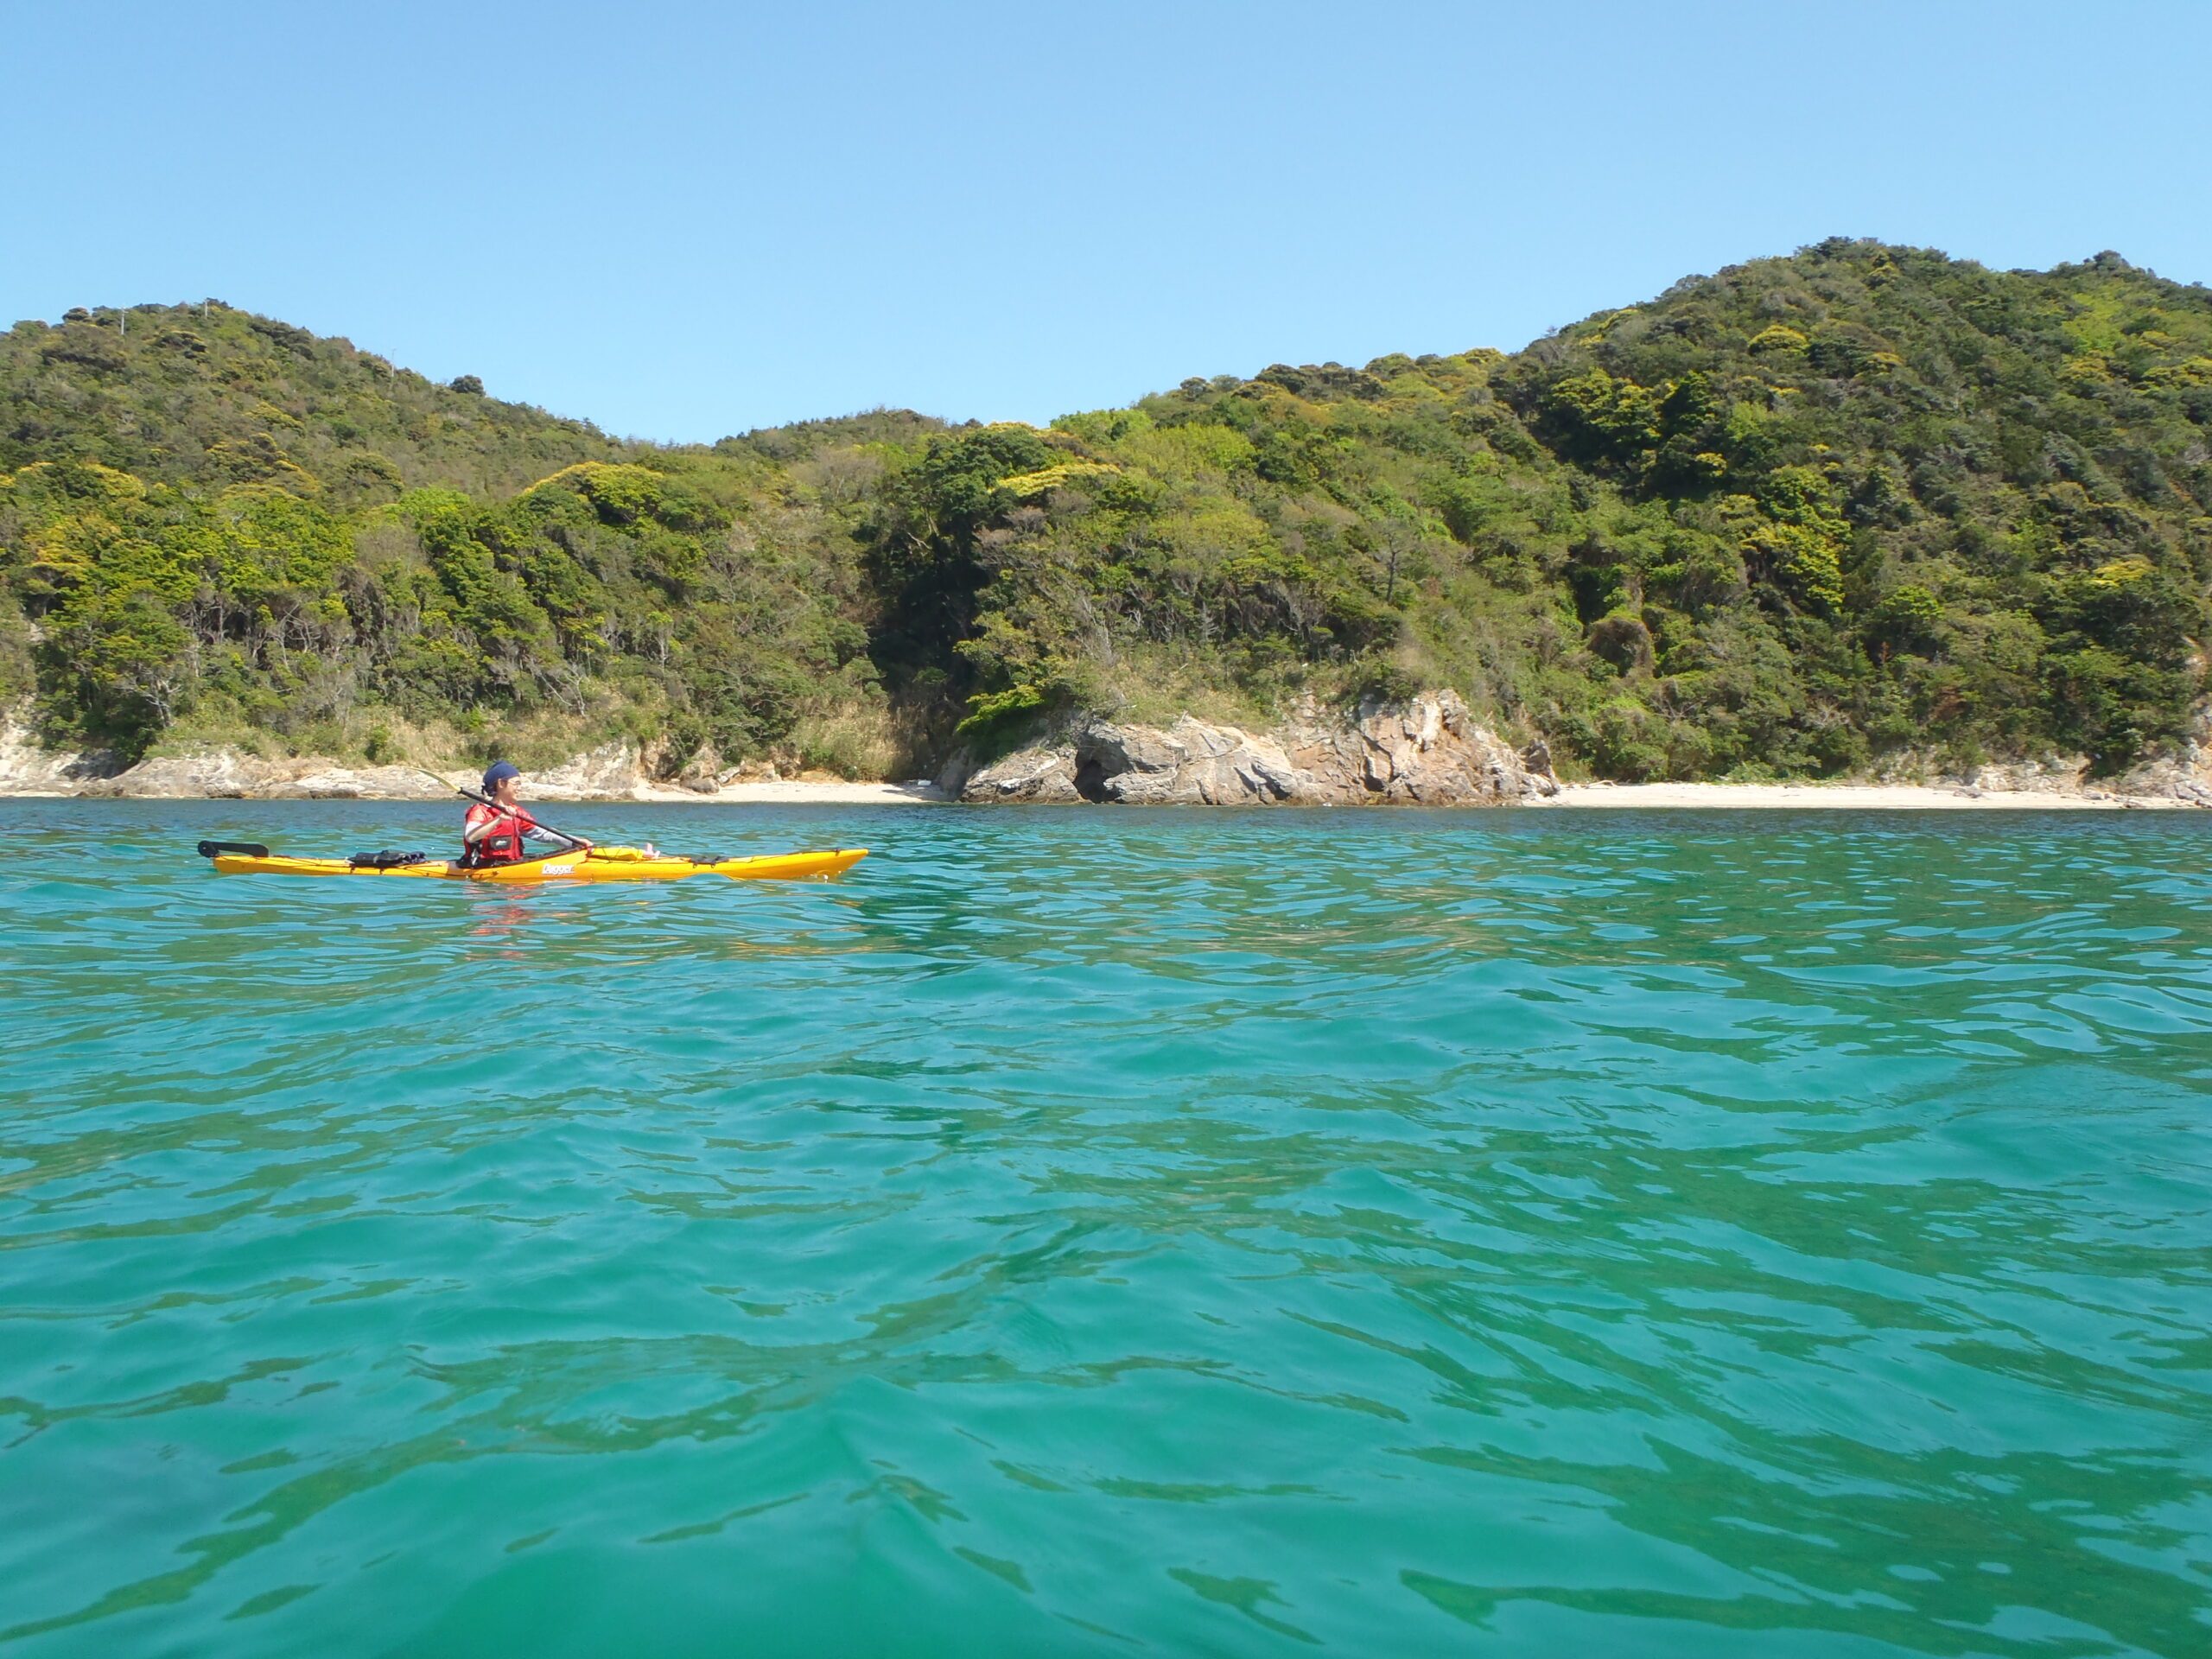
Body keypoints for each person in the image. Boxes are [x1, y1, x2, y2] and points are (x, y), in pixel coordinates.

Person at [461, 761, 591, 867]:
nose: (519, 788)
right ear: (501, 784)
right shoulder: (480, 811)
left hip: (510, 864)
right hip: (482, 867)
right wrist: (499, 819)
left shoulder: (516, 811)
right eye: (516, 783)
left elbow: (544, 833)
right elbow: (471, 837)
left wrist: (574, 842)